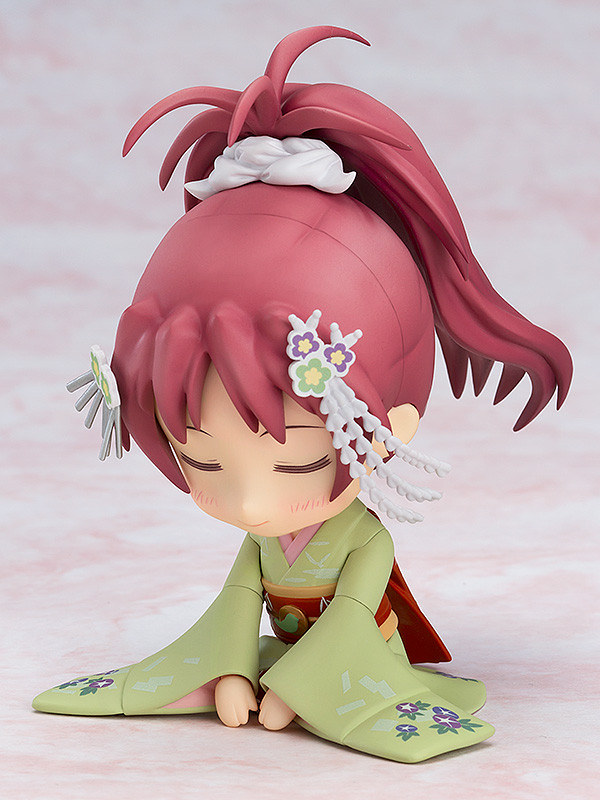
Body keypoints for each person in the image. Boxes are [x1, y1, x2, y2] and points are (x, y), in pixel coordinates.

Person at [32, 26, 572, 762]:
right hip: (287, 656)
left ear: (390, 426)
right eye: (204, 463)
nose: (253, 504)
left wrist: (297, 691)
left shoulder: (364, 541)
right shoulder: (261, 542)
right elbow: (235, 609)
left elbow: (353, 615)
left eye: (295, 465)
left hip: (355, 659)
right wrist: (229, 671)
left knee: (328, 676)